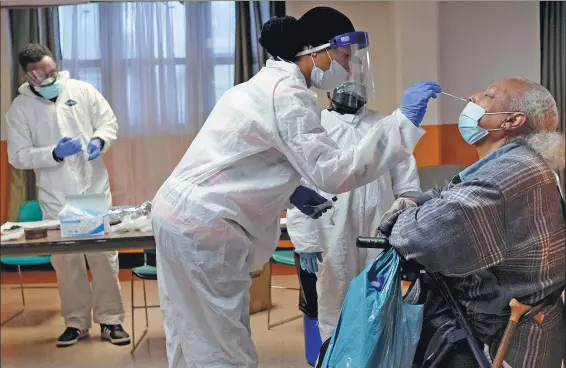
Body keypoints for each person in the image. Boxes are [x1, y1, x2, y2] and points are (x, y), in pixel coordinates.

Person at [151, 7, 441, 367]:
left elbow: (242, 155)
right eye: (345, 56)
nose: (349, 69)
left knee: (190, 328)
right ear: (318, 50)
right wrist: (403, 123)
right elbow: (334, 173)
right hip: (206, 226)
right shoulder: (288, 94)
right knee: (220, 343)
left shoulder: (263, 85)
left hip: (182, 216)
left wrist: (289, 190)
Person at [379, 78, 565, 367]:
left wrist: (402, 216)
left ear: (512, 121)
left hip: (498, 339)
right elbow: (454, 192)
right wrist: (421, 200)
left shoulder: (507, 176)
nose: (473, 95)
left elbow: (419, 236)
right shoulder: (520, 162)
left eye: (488, 95)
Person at [6, 43, 130, 347]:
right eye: (41, 74)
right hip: (56, 196)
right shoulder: (20, 109)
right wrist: (54, 153)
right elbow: (18, 156)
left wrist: (99, 141)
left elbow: (108, 122)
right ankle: (76, 323)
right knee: (67, 262)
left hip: (92, 189)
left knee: (102, 256)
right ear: (28, 74)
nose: (50, 78)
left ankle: (111, 320)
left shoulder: (82, 90)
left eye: (52, 71)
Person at [287, 79, 422, 342]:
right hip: (330, 230)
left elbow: (406, 185)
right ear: (329, 87)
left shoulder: (385, 125)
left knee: (378, 298)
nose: (351, 87)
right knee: (333, 297)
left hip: (379, 229)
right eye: (343, 80)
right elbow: (299, 184)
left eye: (359, 80)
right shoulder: (315, 126)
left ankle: (373, 355)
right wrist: (305, 241)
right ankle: (334, 355)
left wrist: (403, 229)